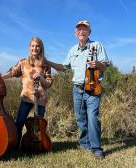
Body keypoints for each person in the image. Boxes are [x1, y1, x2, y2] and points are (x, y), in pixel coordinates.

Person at [46, 20, 109, 159]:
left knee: (92, 117)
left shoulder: (96, 45)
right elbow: (63, 67)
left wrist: (98, 64)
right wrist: (47, 62)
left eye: (84, 29)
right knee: (81, 118)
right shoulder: (73, 49)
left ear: (89, 32)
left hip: (93, 87)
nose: (81, 31)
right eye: (79, 29)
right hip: (77, 89)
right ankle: (85, 143)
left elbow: (104, 67)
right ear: (75, 33)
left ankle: (96, 148)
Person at [2, 37, 53, 148]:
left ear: (41, 48)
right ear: (30, 47)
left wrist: (40, 77)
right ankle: (16, 145)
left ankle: (38, 146)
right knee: (19, 123)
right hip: (26, 97)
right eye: (33, 46)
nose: (35, 48)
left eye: (37, 46)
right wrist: (0, 77)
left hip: (40, 99)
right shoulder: (23, 62)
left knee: (38, 126)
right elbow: (12, 72)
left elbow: (48, 83)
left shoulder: (45, 64)